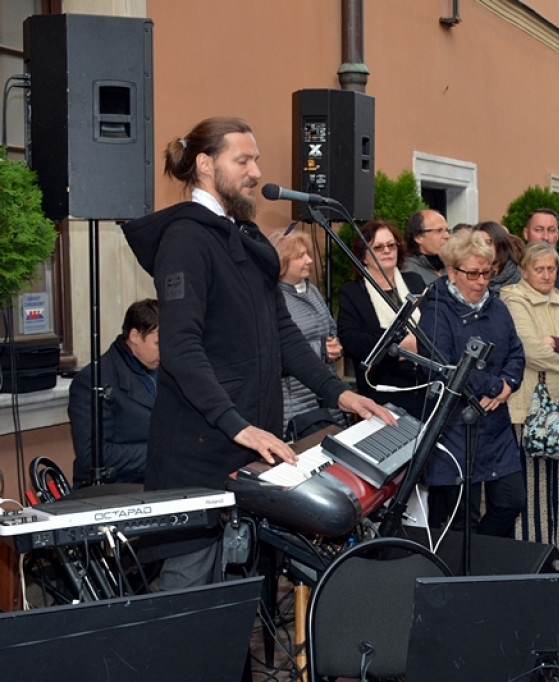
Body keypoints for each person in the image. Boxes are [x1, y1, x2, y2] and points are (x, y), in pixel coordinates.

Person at [121, 117, 394, 589]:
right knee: (192, 603)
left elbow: (282, 333)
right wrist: (239, 426)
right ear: (205, 165)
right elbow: (181, 349)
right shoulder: (186, 239)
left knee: (240, 597)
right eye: (242, 160)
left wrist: (339, 393)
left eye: (256, 160)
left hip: (250, 451)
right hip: (201, 456)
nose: (255, 171)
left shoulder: (243, 239)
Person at [419, 230, 526, 536]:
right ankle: (468, 573)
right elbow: (447, 364)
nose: (482, 281)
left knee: (511, 500)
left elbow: (516, 351)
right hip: (456, 424)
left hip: (495, 424)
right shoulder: (436, 310)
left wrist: (507, 385)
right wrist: (495, 387)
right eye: (473, 274)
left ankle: (483, 556)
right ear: (452, 272)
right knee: (461, 517)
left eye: (487, 273)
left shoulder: (497, 306)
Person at [502, 241, 559, 569]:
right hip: (530, 405)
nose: (546, 275)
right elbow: (529, 349)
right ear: (524, 270)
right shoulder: (513, 300)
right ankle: (535, 553)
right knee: (534, 483)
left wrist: (556, 345)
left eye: (551, 268)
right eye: (539, 268)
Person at [336, 220, 428, 417]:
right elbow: (352, 340)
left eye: (391, 245)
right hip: (383, 393)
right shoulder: (352, 292)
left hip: (426, 386)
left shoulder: (415, 281)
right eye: (378, 247)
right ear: (363, 257)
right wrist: (398, 346)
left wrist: (420, 343)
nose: (386, 251)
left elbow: (435, 324)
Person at [68, 299, 160, 488]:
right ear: (135, 336)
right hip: (118, 489)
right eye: (158, 343)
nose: (165, 351)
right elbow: (93, 455)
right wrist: (163, 453)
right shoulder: (93, 380)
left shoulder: (165, 371)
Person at [268, 229, 348, 440]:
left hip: (325, 400)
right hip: (295, 408)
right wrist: (320, 350)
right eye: (300, 256)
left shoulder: (311, 291)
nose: (310, 260)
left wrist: (334, 346)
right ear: (282, 262)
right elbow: (275, 353)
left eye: (308, 254)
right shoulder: (272, 300)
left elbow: (330, 328)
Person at [404, 209, 449, 283]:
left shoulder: (452, 266)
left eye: (447, 230)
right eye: (439, 231)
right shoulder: (409, 272)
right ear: (418, 237)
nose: (447, 236)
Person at [475, 221, 521, 293]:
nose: (481, 248)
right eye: (477, 243)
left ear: (501, 244)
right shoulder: (466, 277)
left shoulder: (520, 277)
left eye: (487, 243)